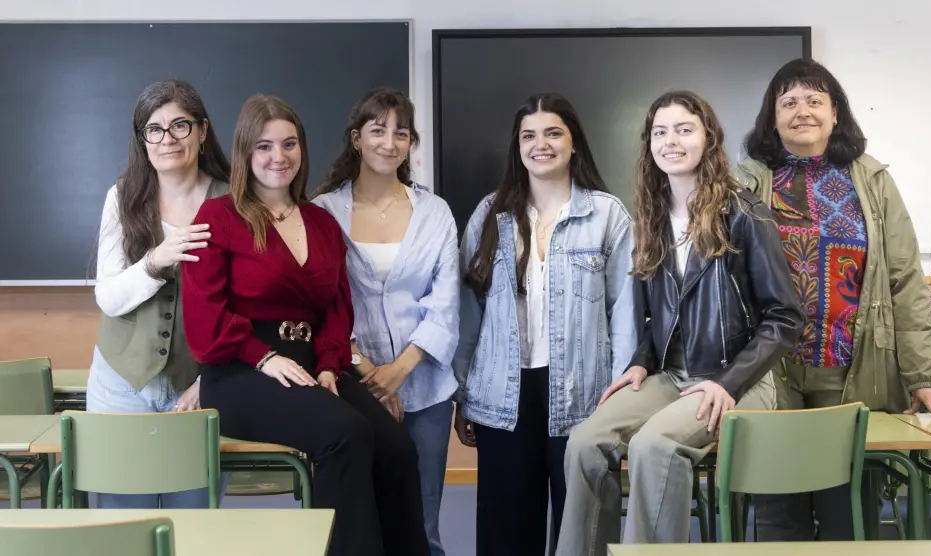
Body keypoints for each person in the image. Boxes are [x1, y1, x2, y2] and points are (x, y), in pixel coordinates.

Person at [555, 90, 804, 553]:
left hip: (739, 379)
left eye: (684, 129)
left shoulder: (746, 214)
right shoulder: (650, 217)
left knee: (654, 446)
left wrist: (728, 382)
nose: (671, 141)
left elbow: (785, 317)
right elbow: (662, 314)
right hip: (672, 375)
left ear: (708, 138)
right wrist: (640, 360)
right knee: (585, 441)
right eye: (660, 132)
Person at [181, 93, 429, 556]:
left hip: (313, 366)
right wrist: (264, 357)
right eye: (264, 146)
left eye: (289, 144)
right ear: (245, 152)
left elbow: (336, 308)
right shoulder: (218, 218)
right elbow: (205, 319)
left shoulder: (320, 221)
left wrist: (331, 365)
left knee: (397, 447)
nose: (279, 156)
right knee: (345, 434)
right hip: (239, 372)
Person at [736, 58, 931, 542]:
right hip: (769, 369)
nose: (802, 111)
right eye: (789, 102)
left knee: (850, 512)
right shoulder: (746, 182)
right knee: (779, 511)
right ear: (772, 116)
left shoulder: (872, 180)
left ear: (835, 112)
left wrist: (924, 376)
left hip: (851, 367)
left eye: (814, 100)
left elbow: (905, 281)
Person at [453, 92, 639, 555]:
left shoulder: (607, 215)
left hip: (585, 396)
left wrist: (620, 401)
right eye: (529, 136)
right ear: (517, 146)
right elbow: (467, 313)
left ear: (574, 143)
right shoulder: (489, 216)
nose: (541, 145)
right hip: (503, 395)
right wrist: (464, 395)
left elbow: (626, 315)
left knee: (584, 532)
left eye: (553, 133)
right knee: (506, 535)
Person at [311, 88, 459, 556]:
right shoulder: (323, 213)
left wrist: (399, 370)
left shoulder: (435, 213)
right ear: (357, 139)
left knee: (423, 526)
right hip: (351, 386)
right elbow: (322, 302)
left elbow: (446, 301)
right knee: (360, 525)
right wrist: (367, 372)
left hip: (426, 388)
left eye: (401, 133)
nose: (389, 143)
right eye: (378, 130)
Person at [87, 78, 230, 509]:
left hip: (199, 387)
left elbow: (250, 307)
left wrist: (212, 382)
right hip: (121, 385)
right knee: (123, 525)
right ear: (142, 139)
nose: (167, 138)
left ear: (202, 131)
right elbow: (109, 297)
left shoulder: (234, 201)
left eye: (180, 125)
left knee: (194, 522)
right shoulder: (123, 197)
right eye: (154, 129)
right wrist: (155, 261)